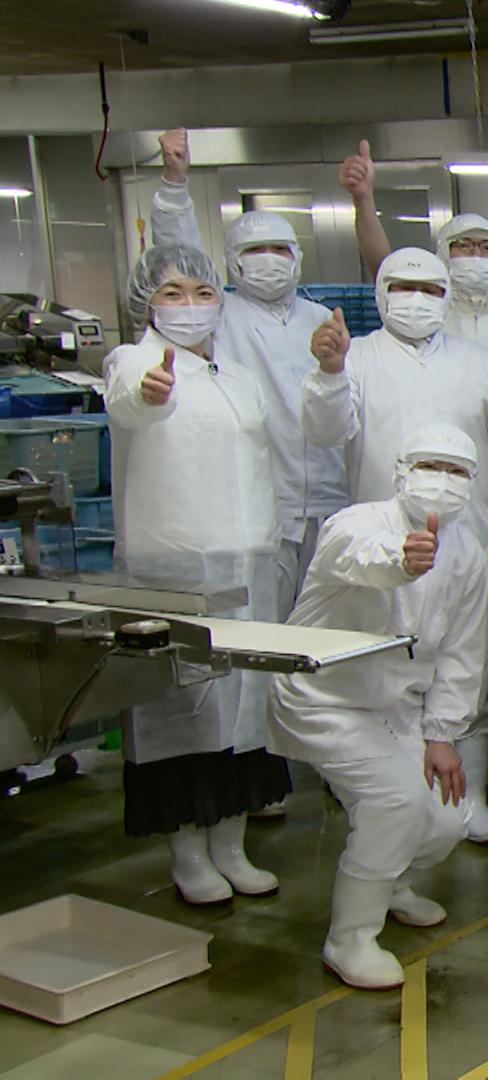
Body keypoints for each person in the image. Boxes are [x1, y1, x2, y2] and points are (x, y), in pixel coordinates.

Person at [304, 246, 488, 846]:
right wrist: (329, 371)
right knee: (379, 665)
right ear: (381, 294)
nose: (417, 300)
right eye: (403, 288)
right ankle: (377, 789)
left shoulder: (482, 365)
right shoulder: (358, 359)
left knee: (466, 660)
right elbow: (326, 431)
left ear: (446, 296)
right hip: (381, 546)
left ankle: (469, 793)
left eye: (430, 289)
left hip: (468, 542)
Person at [269, 424, 488, 988]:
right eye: (430, 466)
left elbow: (463, 650)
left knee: (448, 818)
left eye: (457, 471)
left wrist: (442, 734)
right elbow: (356, 558)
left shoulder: (468, 550)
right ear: (400, 472)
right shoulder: (356, 524)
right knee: (395, 800)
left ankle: (390, 883)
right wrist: (402, 560)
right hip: (325, 698)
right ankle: (350, 939)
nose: (443, 481)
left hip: (396, 708)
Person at [106, 243, 284, 905]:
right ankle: (188, 856)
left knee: (245, 708)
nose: (189, 305)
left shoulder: (237, 376)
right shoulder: (136, 361)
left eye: (202, 292)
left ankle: (231, 846)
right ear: (147, 302)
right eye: (172, 293)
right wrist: (150, 393)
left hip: (248, 562)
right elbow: (131, 401)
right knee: (180, 706)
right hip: (172, 565)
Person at [151, 128, 349, 633]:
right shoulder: (221, 316)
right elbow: (180, 257)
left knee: (327, 628)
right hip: (263, 508)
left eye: (280, 249)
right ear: (233, 260)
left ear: (297, 257)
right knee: (265, 627)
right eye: (256, 250)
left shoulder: (321, 319)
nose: (269, 260)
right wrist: (174, 183)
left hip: (328, 502)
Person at [337, 141, 488, 361]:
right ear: (444, 254)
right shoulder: (427, 313)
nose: (476, 254)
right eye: (464, 245)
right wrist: (363, 199)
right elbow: (385, 269)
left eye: (487, 247)